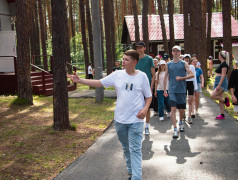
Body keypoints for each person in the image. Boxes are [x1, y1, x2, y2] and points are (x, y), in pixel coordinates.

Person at [67, 49, 152, 180]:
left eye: (126, 60)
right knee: (126, 148)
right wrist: (80, 80)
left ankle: (136, 177)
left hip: (136, 120)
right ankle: (131, 172)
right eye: (123, 59)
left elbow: (148, 96)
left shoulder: (142, 77)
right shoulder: (117, 74)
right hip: (120, 120)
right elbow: (99, 83)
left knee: (134, 149)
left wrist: (145, 109)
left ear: (134, 62)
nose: (123, 61)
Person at [164, 46, 194, 138]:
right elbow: (165, 77)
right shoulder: (168, 64)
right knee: (173, 109)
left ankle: (181, 122)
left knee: (181, 110)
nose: (175, 52)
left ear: (180, 53)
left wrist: (182, 78)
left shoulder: (184, 63)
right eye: (174, 51)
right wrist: (165, 89)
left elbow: (191, 75)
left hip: (181, 90)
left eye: (177, 51)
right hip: (172, 90)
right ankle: (175, 129)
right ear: (172, 52)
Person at [135, 41, 155, 135]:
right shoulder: (134, 59)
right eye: (137, 48)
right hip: (136, 88)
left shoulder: (149, 59)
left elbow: (153, 75)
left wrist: (151, 87)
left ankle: (147, 126)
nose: (139, 49)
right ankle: (138, 126)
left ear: (144, 48)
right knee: (136, 107)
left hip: (147, 87)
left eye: (140, 47)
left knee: (147, 108)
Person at [210, 50, 230, 120]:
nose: (218, 56)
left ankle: (225, 100)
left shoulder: (224, 65)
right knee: (220, 98)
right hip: (218, 81)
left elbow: (223, 76)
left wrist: (219, 85)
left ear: (221, 56)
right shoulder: (222, 64)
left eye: (219, 55)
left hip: (221, 82)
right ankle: (222, 114)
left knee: (212, 95)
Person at [183, 54, 197, 124]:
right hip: (184, 83)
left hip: (190, 83)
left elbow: (194, 77)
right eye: (185, 58)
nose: (187, 59)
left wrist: (195, 86)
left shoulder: (192, 67)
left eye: (188, 58)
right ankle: (184, 113)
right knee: (184, 99)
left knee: (190, 99)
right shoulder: (182, 66)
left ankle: (189, 115)